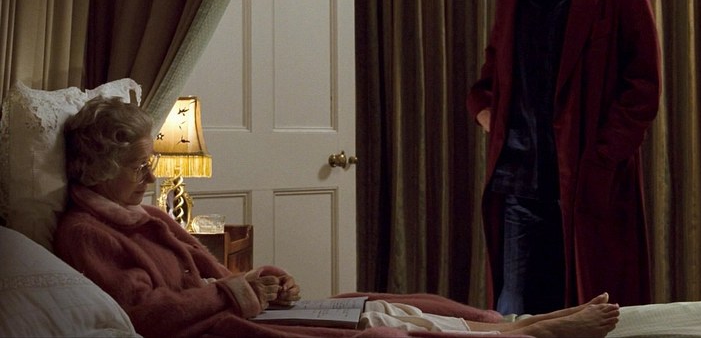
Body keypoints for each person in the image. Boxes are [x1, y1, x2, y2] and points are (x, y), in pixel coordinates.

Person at [54, 96, 620, 338]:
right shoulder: (87, 234)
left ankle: (522, 324)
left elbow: (218, 276)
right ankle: (536, 333)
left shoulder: (143, 215)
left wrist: (263, 281)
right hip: (221, 331)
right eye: (139, 167)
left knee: (377, 305)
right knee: (381, 327)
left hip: (239, 314)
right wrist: (234, 294)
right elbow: (146, 316)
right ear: (99, 167)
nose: (151, 177)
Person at [467, 0, 661, 315]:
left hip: (585, 179)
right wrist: (487, 113)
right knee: (514, 313)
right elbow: (495, 65)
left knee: (586, 310)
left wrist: (603, 156)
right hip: (519, 177)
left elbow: (643, 85)